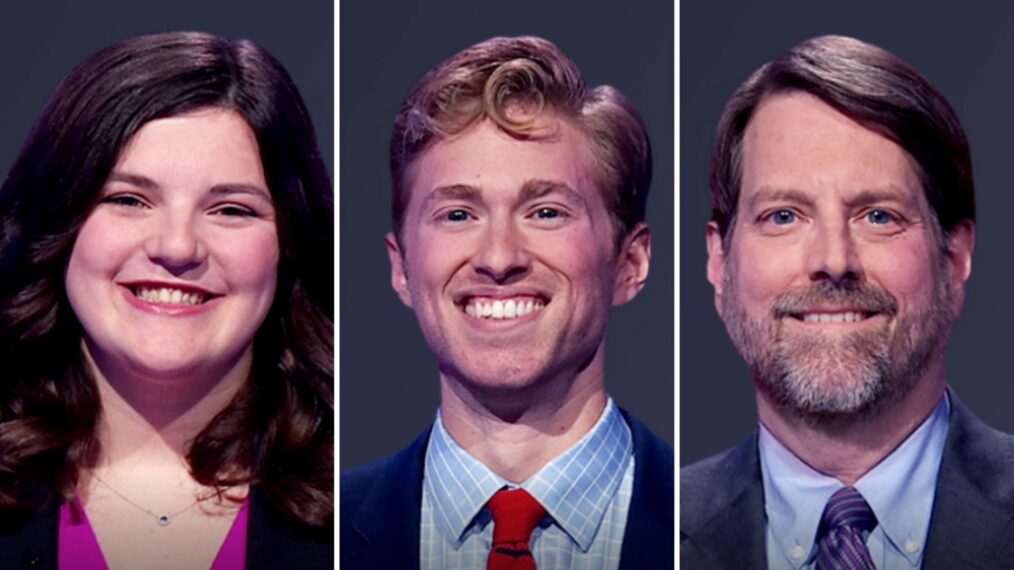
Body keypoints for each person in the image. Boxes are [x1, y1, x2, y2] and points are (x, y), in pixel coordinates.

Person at [0, 32, 333, 569]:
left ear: (289, 244)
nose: (176, 247)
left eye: (230, 209)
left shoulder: (365, 511)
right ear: (58, 225)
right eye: (128, 200)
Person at [681, 34, 1014, 568]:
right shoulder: (649, 532)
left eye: (878, 216)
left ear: (954, 257)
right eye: (784, 216)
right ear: (720, 263)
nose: (834, 260)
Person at [340, 36, 673, 569]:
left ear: (630, 263)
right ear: (401, 266)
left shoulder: (712, 532)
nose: (498, 258)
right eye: (457, 215)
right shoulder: (317, 537)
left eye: (545, 212)